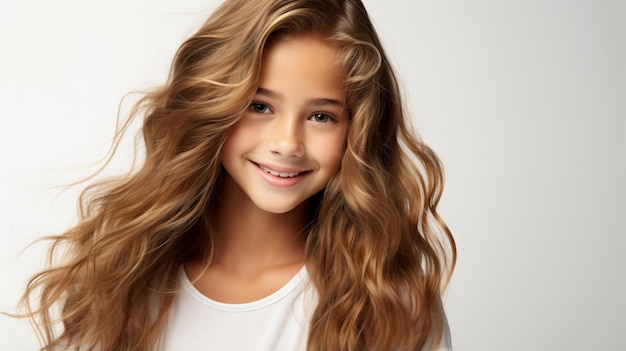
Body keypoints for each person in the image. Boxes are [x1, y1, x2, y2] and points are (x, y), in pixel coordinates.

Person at [18, 0, 456, 350]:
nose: (287, 143)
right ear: (213, 104)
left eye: (322, 116)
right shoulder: (121, 282)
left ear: (358, 131)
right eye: (260, 106)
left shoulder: (386, 306)